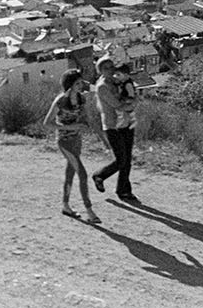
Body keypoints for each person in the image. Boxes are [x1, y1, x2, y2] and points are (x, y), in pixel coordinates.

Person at [42, 69, 104, 224]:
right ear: (69, 85)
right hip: (64, 142)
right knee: (82, 174)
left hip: (77, 141)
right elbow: (47, 123)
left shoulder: (81, 99)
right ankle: (89, 211)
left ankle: (66, 206)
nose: (80, 85)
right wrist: (71, 127)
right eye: (77, 83)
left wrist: (101, 137)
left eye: (80, 82)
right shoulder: (60, 101)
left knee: (70, 173)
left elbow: (87, 119)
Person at [92, 56, 139, 203]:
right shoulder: (102, 87)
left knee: (127, 159)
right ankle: (100, 175)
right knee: (121, 159)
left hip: (125, 123)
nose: (111, 70)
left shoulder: (116, 80)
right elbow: (117, 104)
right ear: (100, 70)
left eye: (112, 67)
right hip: (112, 126)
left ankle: (124, 190)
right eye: (106, 68)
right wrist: (132, 104)